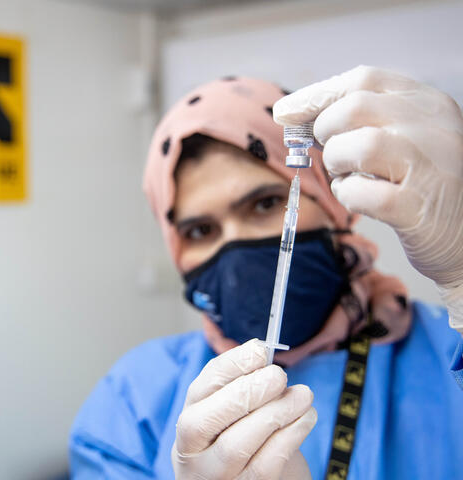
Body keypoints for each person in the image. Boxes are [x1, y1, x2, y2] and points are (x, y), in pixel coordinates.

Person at [69, 66, 463, 479]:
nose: (237, 248)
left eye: (264, 204)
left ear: (331, 201)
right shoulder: (134, 401)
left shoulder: (449, 354)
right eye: (200, 230)